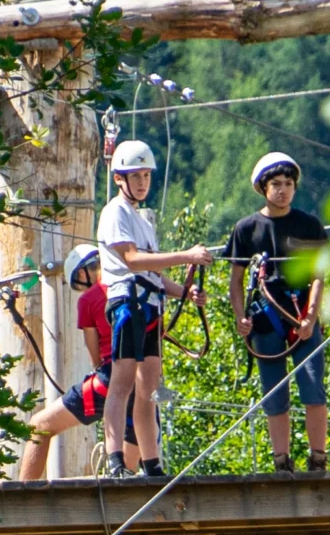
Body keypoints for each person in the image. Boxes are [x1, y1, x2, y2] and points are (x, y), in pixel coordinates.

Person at [97, 138, 212, 479]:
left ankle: (152, 463)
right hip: (128, 304)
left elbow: (154, 276)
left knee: (148, 390)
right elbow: (132, 261)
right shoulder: (115, 212)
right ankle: (115, 458)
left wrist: (184, 293)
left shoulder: (143, 220)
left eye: (147, 175)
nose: (143, 182)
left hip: (149, 305)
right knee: (122, 385)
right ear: (120, 178)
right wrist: (186, 256)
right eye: (137, 176)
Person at [224, 151, 330, 474]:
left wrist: (311, 316)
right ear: (263, 187)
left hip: (301, 317)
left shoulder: (309, 226)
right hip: (266, 319)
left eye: (288, 184)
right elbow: (236, 280)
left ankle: (318, 459)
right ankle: (281, 462)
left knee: (313, 389)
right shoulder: (246, 230)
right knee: (274, 394)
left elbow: (318, 275)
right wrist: (241, 318)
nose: (283, 190)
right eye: (276, 184)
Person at [16, 245, 136, 480]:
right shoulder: (131, 287)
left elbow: (96, 355)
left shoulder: (89, 299)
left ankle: (22, 498)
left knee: (39, 426)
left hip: (110, 378)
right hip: (140, 380)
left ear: (82, 274)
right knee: (128, 469)